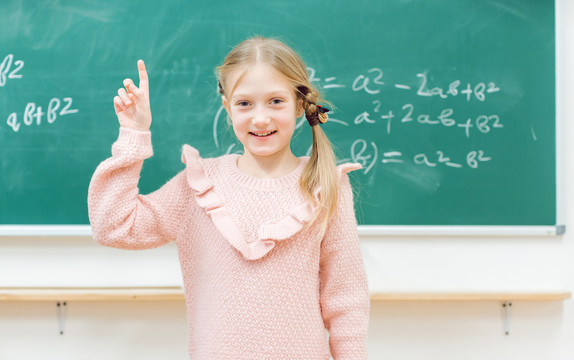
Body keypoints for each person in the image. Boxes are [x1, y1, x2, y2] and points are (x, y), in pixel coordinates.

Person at [88, 36, 369, 359]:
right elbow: (113, 226)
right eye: (245, 103)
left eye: (276, 101)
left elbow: (346, 300)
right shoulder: (197, 186)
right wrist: (133, 136)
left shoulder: (326, 185)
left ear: (299, 104)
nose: (260, 118)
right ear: (227, 107)